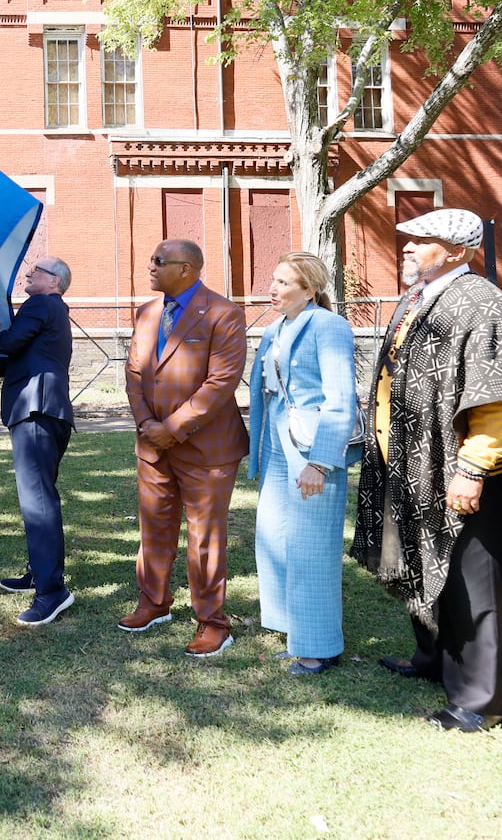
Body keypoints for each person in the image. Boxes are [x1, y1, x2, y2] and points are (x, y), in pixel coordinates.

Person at [352, 209, 502, 732]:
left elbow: (495, 400)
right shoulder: (420, 298)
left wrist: (472, 469)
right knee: (427, 565)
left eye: (421, 241)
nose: (406, 248)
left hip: (465, 473)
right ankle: (433, 659)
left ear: (456, 252)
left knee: (472, 586)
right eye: (407, 240)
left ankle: (480, 701)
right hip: (414, 463)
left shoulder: (481, 304)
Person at [122, 238, 249, 658]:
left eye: (160, 261)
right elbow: (135, 374)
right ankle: (153, 603)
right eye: (151, 258)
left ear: (189, 268)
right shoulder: (147, 314)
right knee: (154, 528)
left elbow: (220, 384)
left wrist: (172, 428)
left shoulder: (224, 314)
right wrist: (146, 424)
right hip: (152, 446)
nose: (151, 266)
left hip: (206, 450)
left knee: (204, 537)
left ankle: (213, 622)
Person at [246, 251, 357, 676]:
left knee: (312, 546)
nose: (273, 289)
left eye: (284, 283)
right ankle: (290, 627)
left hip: (313, 447)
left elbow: (340, 399)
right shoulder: (276, 327)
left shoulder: (329, 326)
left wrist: (321, 462)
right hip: (277, 441)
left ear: (309, 290)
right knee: (273, 534)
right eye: (272, 280)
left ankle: (320, 646)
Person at [0, 257, 76, 627]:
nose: (28, 274)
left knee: (39, 503)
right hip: (48, 413)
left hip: (36, 412)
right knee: (40, 499)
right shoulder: (53, 312)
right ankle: (38, 572)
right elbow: (20, 357)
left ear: (54, 281)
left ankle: (52, 591)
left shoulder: (41, 303)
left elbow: (11, 342)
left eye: (36, 272)